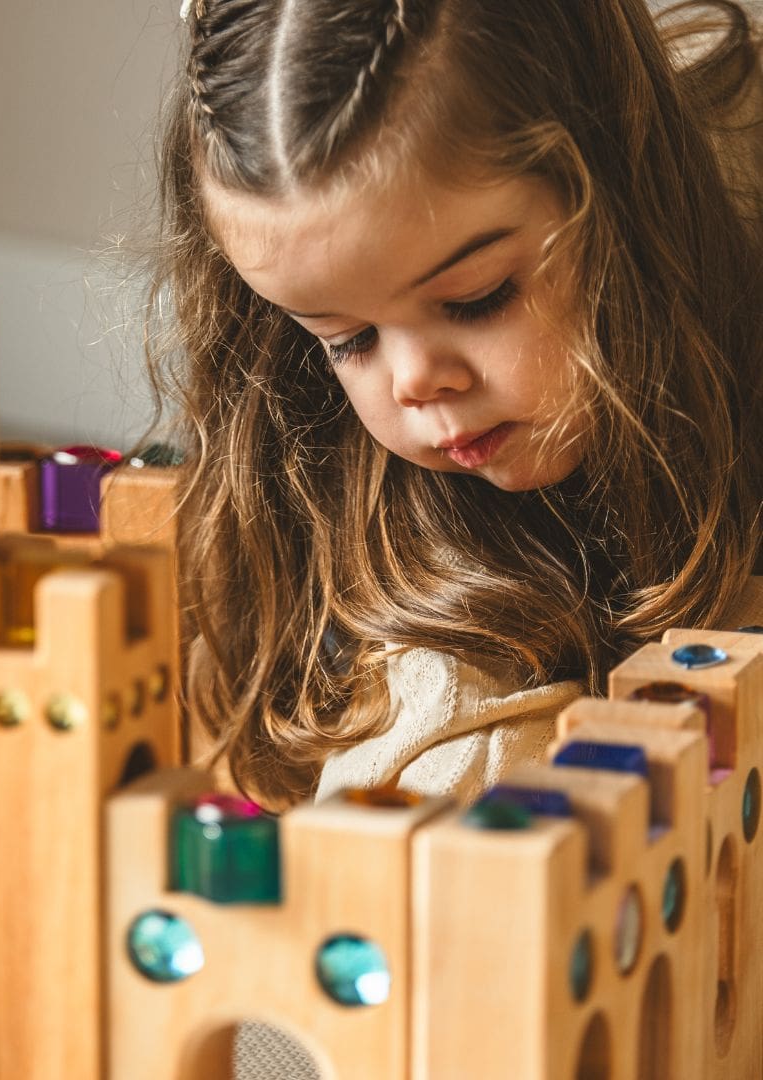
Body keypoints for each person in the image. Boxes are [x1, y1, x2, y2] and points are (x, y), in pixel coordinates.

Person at [144, 0, 763, 810]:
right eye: (346, 340)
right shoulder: (434, 692)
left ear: (617, 186)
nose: (413, 382)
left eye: (477, 298)